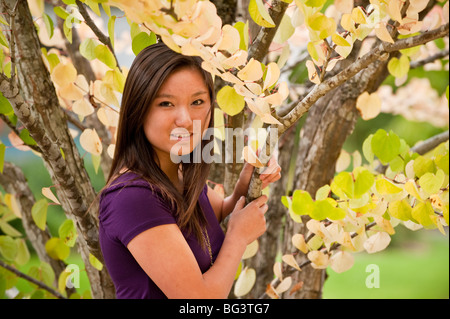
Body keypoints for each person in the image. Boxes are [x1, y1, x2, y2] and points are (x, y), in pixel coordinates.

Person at [98, 42, 281, 299]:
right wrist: (238, 239)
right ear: (138, 110)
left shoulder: (177, 175)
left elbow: (215, 213)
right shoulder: (132, 197)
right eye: (166, 104)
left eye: (197, 101)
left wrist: (246, 181)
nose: (185, 119)